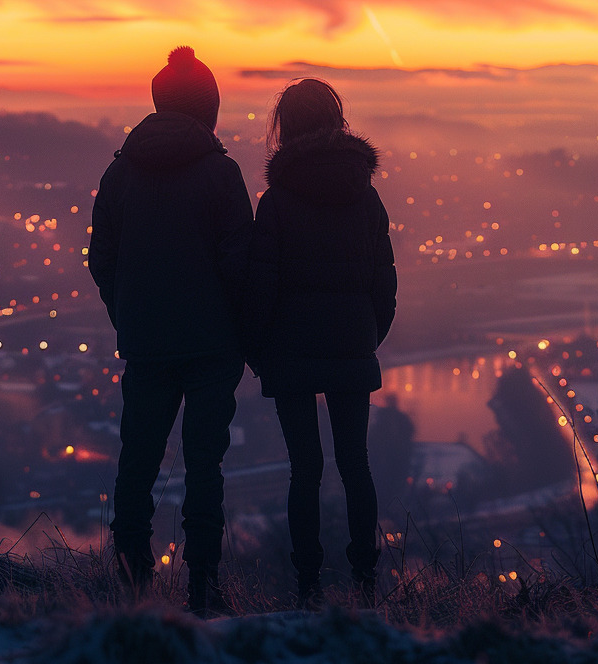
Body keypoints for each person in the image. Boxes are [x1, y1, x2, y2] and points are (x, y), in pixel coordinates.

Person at [88, 45, 252, 617]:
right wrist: (236, 327)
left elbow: (101, 260)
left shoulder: (120, 172)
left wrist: (126, 312)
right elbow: (240, 264)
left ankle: (134, 591)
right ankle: (203, 591)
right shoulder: (220, 172)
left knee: (137, 463)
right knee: (205, 467)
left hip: (146, 344)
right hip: (211, 346)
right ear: (209, 108)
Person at [245, 78, 397, 607]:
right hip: (352, 346)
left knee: (303, 468)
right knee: (356, 462)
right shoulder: (366, 195)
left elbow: (260, 287)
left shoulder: (278, 201)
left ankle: (307, 585)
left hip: (290, 351)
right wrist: (365, 336)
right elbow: (385, 283)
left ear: (285, 127)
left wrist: (259, 352)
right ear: (336, 121)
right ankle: (365, 583)